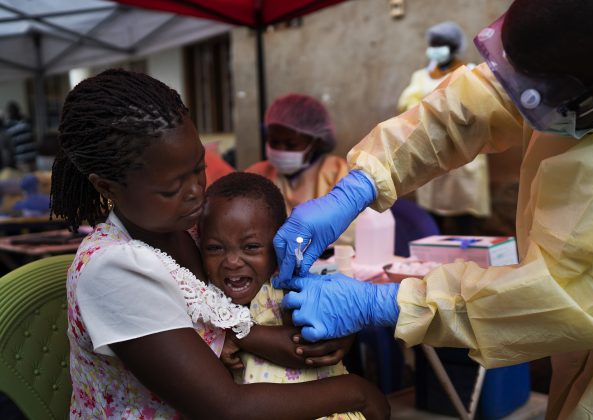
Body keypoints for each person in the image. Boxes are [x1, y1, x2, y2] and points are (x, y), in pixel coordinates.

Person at [272, 0, 593, 418]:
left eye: (546, 100)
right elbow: (470, 106)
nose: (525, 105)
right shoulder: (590, 64)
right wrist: (360, 185)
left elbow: (560, 298)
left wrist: (384, 303)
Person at [50, 69, 389, 419]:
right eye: (171, 188)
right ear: (108, 188)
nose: (197, 191)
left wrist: (328, 333)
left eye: (198, 168)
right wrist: (357, 392)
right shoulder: (113, 271)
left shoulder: (200, 228)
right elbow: (227, 408)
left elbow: (272, 308)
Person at [199, 171, 365, 419]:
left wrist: (238, 335)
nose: (232, 261)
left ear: (278, 244)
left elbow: (307, 349)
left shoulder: (285, 287)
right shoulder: (207, 296)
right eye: (215, 248)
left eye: (251, 247)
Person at [398, 21, 491, 235]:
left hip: (464, 151)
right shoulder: (421, 76)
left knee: (465, 214)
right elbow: (407, 104)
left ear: (453, 46)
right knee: (432, 213)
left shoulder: (470, 72)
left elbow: (478, 106)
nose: (435, 49)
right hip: (431, 149)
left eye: (441, 44)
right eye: (433, 44)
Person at [246, 93, 355, 245]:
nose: (280, 150)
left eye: (291, 145)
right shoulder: (256, 175)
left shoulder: (339, 172)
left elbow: (352, 231)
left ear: (316, 142)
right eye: (273, 141)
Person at [1, 102, 36, 172]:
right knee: (32, 179)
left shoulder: (9, 127)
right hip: (27, 157)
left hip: (25, 157)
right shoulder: (26, 122)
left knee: (31, 180)